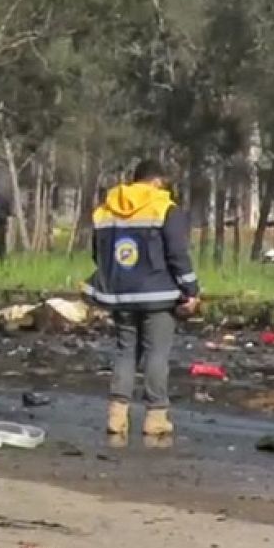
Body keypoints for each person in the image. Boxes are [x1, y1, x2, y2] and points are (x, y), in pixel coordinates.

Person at [84, 159, 199, 439]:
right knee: (156, 353)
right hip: (159, 294)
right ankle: (155, 417)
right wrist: (191, 290)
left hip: (120, 294)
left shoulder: (105, 209)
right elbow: (177, 255)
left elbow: (98, 255)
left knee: (125, 351)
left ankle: (117, 415)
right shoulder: (164, 208)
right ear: (157, 181)